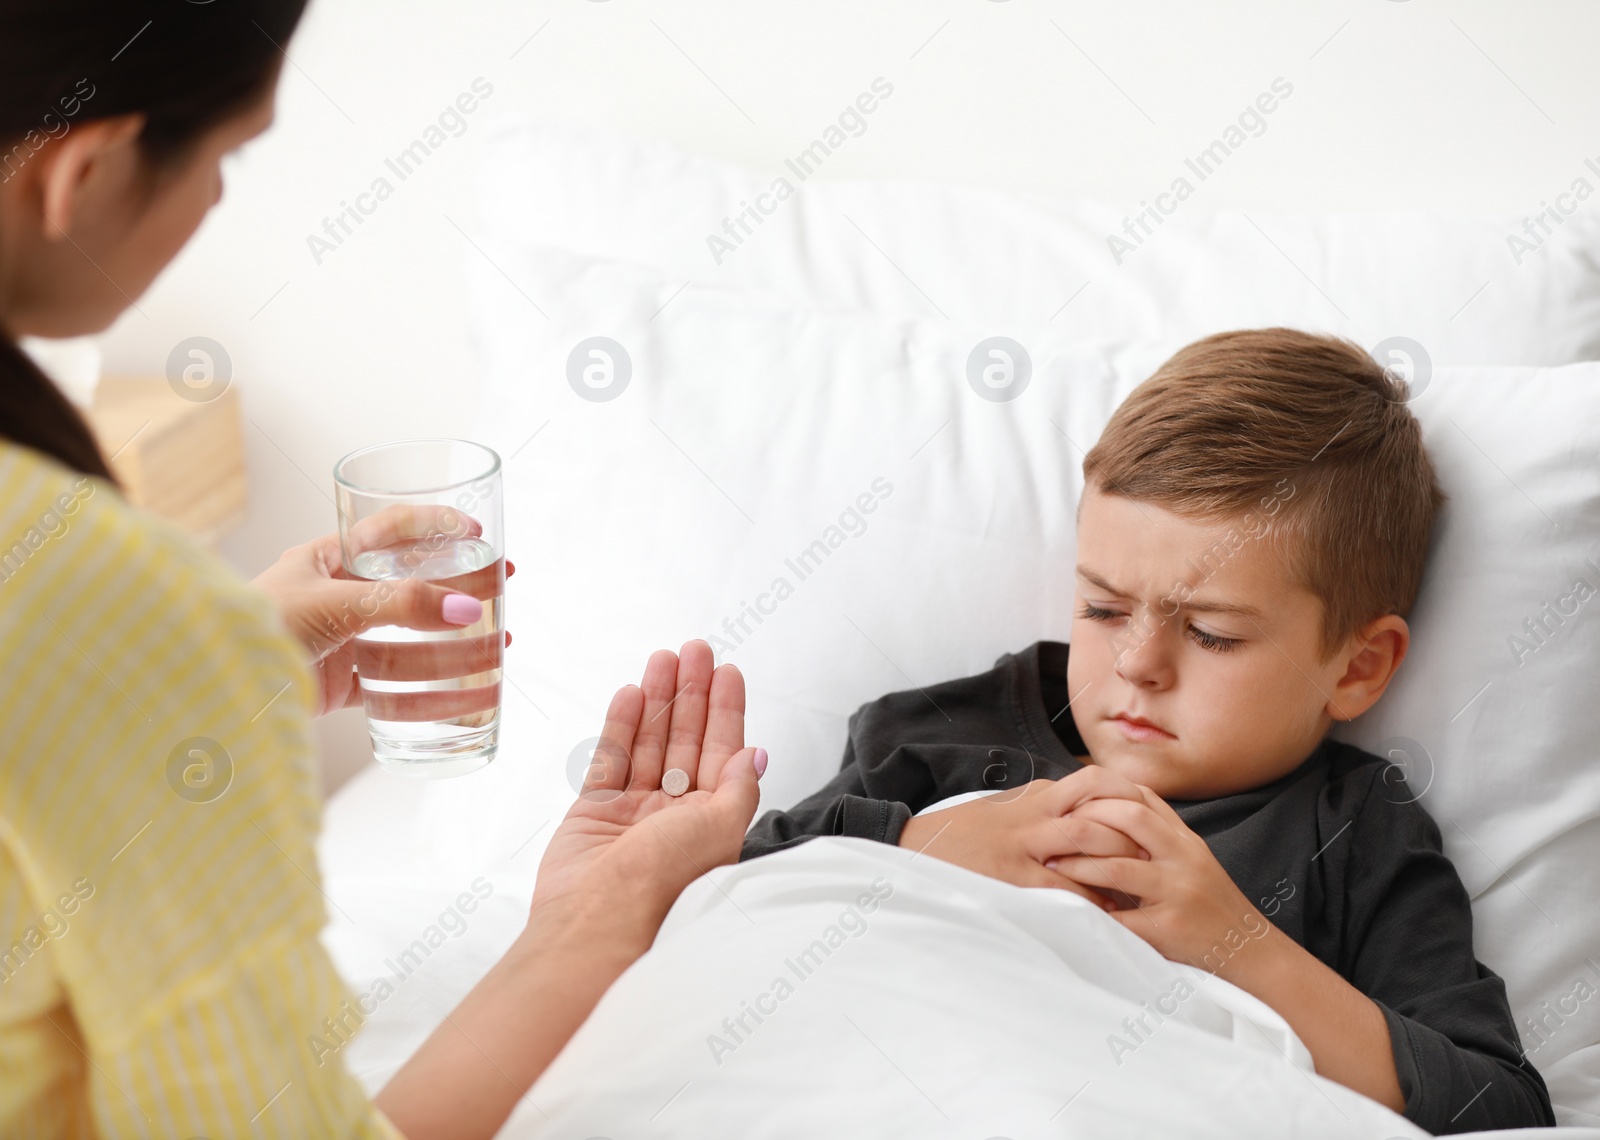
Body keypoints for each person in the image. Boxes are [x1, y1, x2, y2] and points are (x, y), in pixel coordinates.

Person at [0, 3, 765, 1137]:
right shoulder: (100, 593)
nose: (216, 203)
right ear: (91, 168)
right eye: (228, 158)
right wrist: (595, 915)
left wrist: (192, 689)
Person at [741, 328, 1556, 1134]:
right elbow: (733, 893)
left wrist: (1235, 944)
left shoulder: (1353, 832)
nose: (1136, 665)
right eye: (1102, 608)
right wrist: (927, 844)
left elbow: (1500, 1106)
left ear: (1356, 668)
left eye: (1211, 634)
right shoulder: (934, 734)